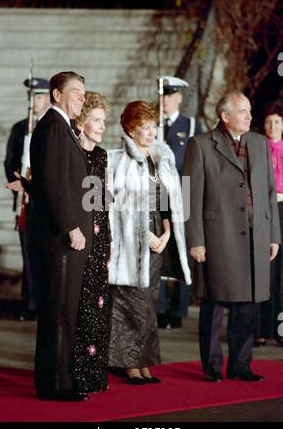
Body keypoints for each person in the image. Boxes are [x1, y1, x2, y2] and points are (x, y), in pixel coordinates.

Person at [183, 91, 281, 382]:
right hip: (217, 236)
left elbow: (268, 193)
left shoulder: (259, 143)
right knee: (215, 302)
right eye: (243, 112)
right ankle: (212, 367)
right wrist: (195, 239)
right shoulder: (199, 145)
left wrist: (273, 234)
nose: (250, 117)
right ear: (225, 117)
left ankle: (241, 365)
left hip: (256, 234)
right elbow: (189, 197)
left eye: (250, 111)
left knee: (249, 303)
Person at [6, 71, 92, 401]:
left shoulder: (60, 127)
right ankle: (55, 383)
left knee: (64, 311)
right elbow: (55, 184)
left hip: (64, 236)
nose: (82, 98)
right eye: (76, 92)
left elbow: (53, 181)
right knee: (59, 313)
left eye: (85, 93)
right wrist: (71, 227)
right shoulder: (54, 127)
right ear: (57, 95)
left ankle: (61, 379)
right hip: (61, 239)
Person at [108, 100, 191, 384]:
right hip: (130, 238)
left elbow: (173, 201)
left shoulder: (162, 159)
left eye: (153, 127)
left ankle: (143, 362)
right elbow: (106, 206)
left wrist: (167, 233)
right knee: (131, 301)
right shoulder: (115, 160)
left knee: (149, 302)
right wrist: (145, 233)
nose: (151, 133)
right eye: (145, 127)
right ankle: (128, 362)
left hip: (159, 234)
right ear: (130, 129)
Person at [71, 90, 112, 393]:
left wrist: (107, 240)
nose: (101, 126)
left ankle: (94, 372)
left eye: (103, 121)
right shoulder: (73, 151)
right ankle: (75, 373)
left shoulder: (101, 155)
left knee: (98, 306)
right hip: (77, 237)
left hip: (99, 237)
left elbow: (100, 201)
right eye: (96, 120)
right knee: (80, 307)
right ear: (83, 121)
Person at [157, 75, 202, 329]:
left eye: (170, 95)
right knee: (160, 246)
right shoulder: (153, 124)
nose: (165, 99)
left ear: (179, 98)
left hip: (182, 189)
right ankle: (160, 307)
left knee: (182, 246)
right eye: (163, 95)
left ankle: (178, 309)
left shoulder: (191, 125)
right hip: (158, 190)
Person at [4, 77, 50, 321]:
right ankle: (29, 304)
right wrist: (18, 184)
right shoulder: (20, 128)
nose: (34, 101)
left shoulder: (51, 126)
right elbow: (10, 160)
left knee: (44, 256)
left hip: (45, 202)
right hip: (25, 202)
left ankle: (44, 303)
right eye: (32, 96)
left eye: (39, 96)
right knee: (27, 254)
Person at [254, 102, 283, 347]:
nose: (273, 126)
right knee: (266, 271)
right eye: (269, 121)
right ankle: (261, 329)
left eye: (277, 121)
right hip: (265, 209)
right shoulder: (255, 148)